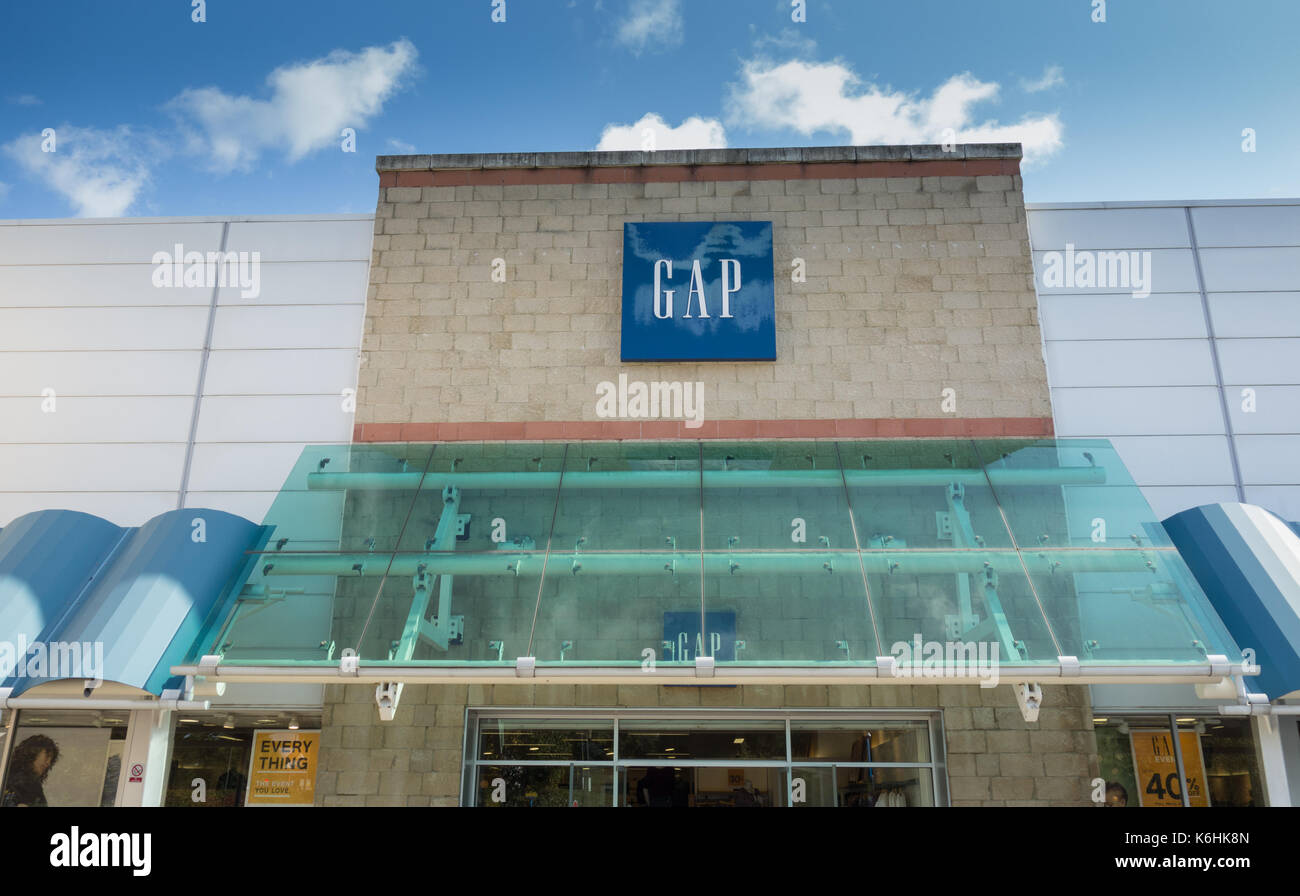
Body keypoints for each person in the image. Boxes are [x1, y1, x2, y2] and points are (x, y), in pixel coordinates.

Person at [2, 734, 60, 807]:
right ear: (33, 752)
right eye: (47, 756)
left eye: (50, 760)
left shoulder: (5, 775)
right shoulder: (25, 783)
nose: (48, 763)